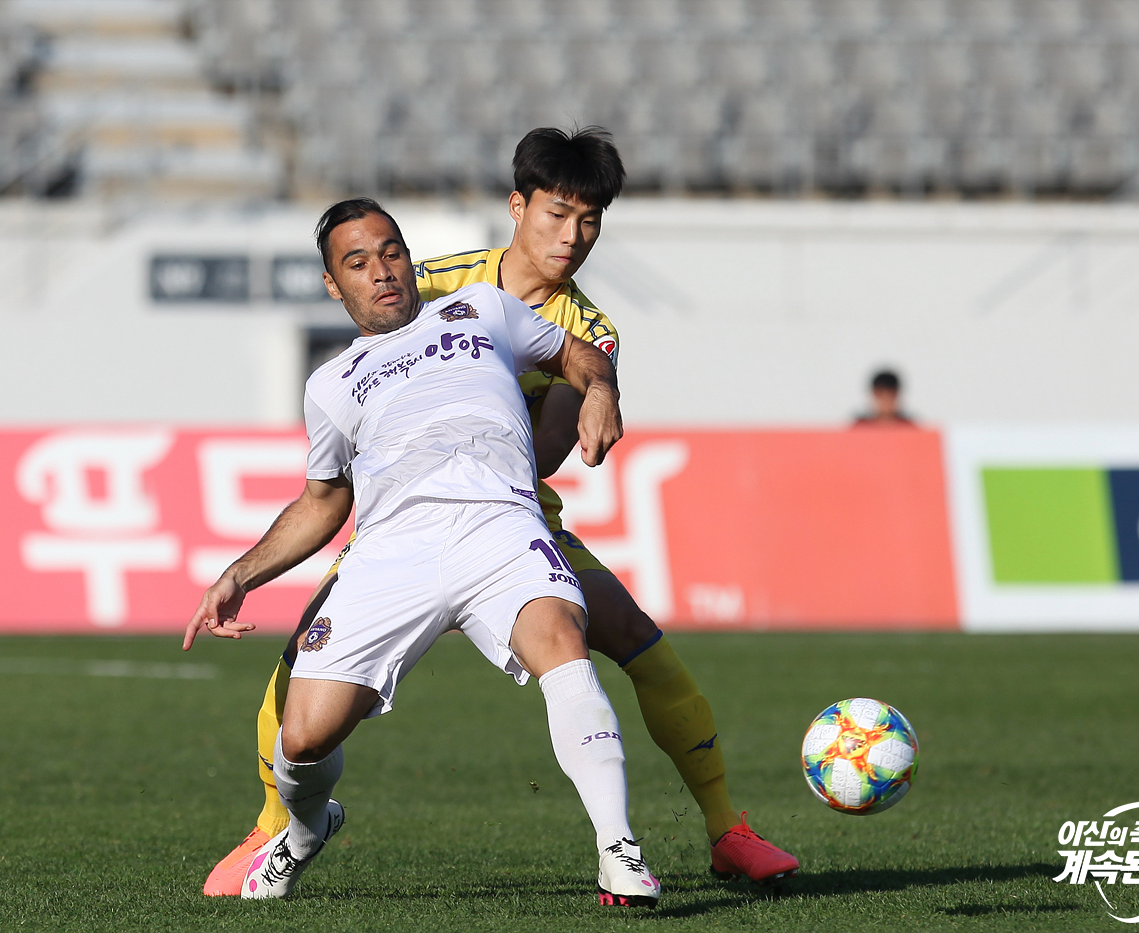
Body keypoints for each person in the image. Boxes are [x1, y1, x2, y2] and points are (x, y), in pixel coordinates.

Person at [203, 127, 797, 896]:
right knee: (295, 679)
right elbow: (370, 359)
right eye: (558, 214)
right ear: (518, 208)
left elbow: (544, 452)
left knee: (640, 645)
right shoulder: (440, 282)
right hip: (399, 520)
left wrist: (586, 396)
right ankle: (275, 826)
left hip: (514, 513)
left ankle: (722, 830)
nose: (572, 237)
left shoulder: (590, 331)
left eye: (590, 221)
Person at [185, 199, 659, 905]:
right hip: (389, 553)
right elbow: (323, 502)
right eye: (357, 262)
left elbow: (575, 354)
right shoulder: (331, 384)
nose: (381, 271)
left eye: (392, 252)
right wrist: (239, 574)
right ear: (332, 284)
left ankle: (619, 850)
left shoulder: (481, 309)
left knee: (563, 642)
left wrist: (601, 388)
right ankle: (306, 830)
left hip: (499, 523)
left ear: (409, 258)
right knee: (302, 739)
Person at [853, 369, 917, 427]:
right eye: (881, 395)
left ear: (897, 395)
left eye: (890, 395)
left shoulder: (911, 429)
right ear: (873, 394)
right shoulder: (858, 428)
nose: (886, 400)